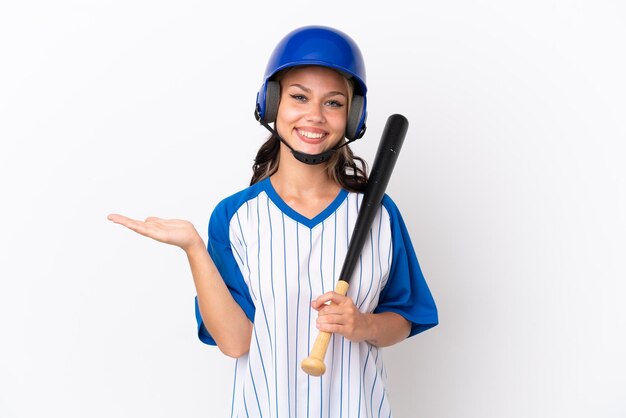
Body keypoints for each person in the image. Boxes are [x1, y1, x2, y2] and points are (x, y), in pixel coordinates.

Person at [108, 25, 438, 417]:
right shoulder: (235, 217)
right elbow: (234, 343)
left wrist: (362, 325)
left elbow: (404, 317)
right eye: (299, 97)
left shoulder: (379, 214)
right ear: (272, 104)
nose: (314, 116)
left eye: (333, 103)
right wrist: (193, 247)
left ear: (352, 117)